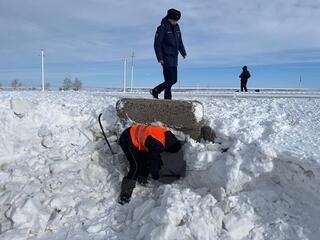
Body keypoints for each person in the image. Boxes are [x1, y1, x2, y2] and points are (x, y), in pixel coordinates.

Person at [118, 124, 182, 204]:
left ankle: (141, 177)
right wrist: (155, 175)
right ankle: (125, 193)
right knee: (136, 165)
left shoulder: (165, 134)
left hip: (132, 134)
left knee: (144, 158)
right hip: (127, 140)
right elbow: (152, 161)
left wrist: (158, 164)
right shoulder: (158, 144)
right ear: (168, 148)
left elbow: (154, 154)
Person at [150, 8, 187, 100]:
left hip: (174, 58)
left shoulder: (177, 28)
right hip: (165, 57)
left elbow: (180, 41)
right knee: (169, 80)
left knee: (174, 80)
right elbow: (157, 44)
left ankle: (156, 90)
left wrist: (183, 52)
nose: (175, 22)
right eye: (174, 20)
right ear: (169, 18)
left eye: (177, 20)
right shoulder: (162, 28)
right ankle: (168, 100)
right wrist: (160, 58)